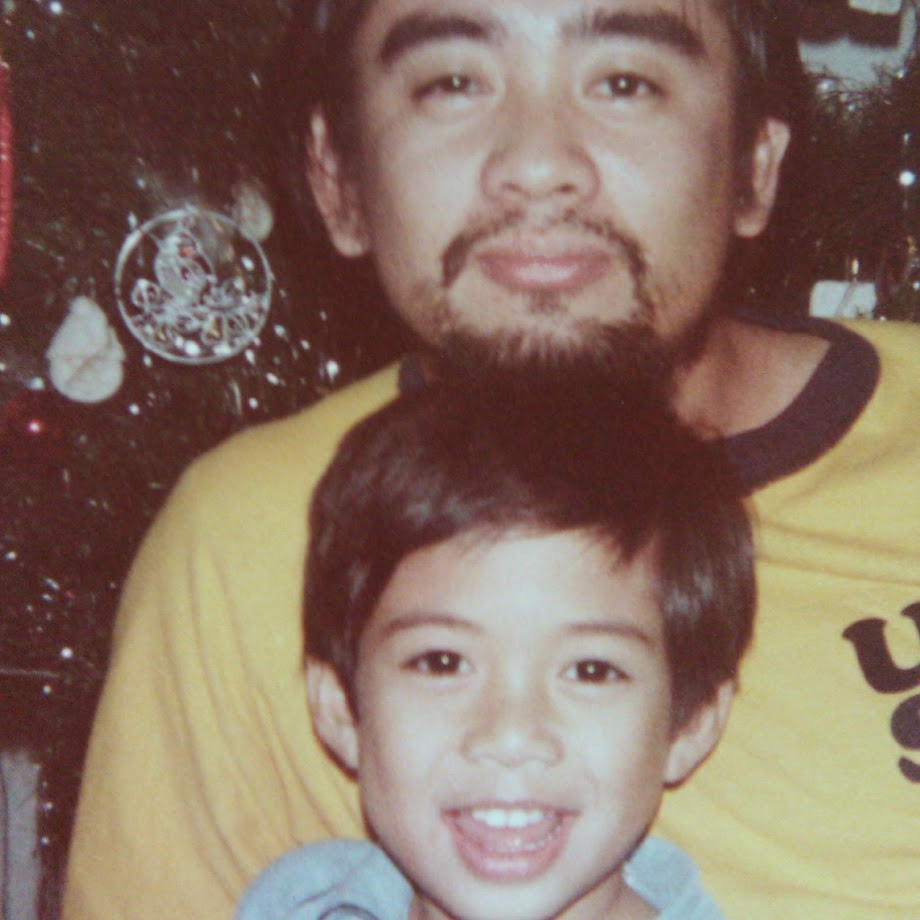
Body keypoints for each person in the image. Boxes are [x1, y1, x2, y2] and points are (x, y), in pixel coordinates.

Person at [63, 0, 920, 918]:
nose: (538, 164)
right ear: (338, 179)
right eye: (453, 83)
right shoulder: (244, 539)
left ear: (754, 168)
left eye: (625, 83)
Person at [235, 377, 755, 920]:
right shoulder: (292, 904)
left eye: (591, 670)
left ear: (691, 723)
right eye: (442, 662)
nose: (510, 735)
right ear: (341, 709)